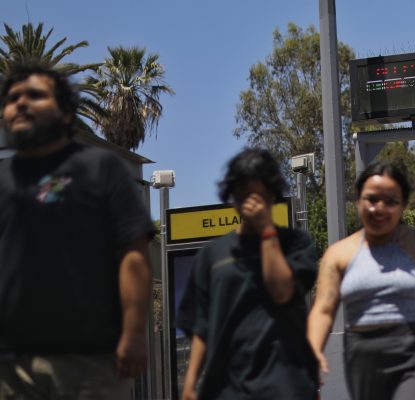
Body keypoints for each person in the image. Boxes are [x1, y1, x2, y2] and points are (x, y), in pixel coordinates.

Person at [0, 63, 155, 399]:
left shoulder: (100, 168)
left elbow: (134, 254)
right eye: (12, 98)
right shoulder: (2, 179)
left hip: (89, 362)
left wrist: (134, 333)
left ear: (66, 112)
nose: (20, 104)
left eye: (35, 95)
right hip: (10, 368)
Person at [307, 161, 415, 400]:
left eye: (390, 201)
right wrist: (313, 352)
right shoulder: (339, 254)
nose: (379, 208)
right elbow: (324, 309)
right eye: (371, 199)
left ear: (404, 206)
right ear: (358, 200)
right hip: (362, 358)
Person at [176, 148, 319, 400]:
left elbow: (282, 291)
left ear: (273, 196)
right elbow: (201, 325)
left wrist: (266, 230)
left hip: (286, 384)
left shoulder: (297, 244)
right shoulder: (212, 256)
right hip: (227, 388)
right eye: (243, 196)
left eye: (260, 196)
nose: (252, 204)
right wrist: (190, 383)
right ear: (232, 197)